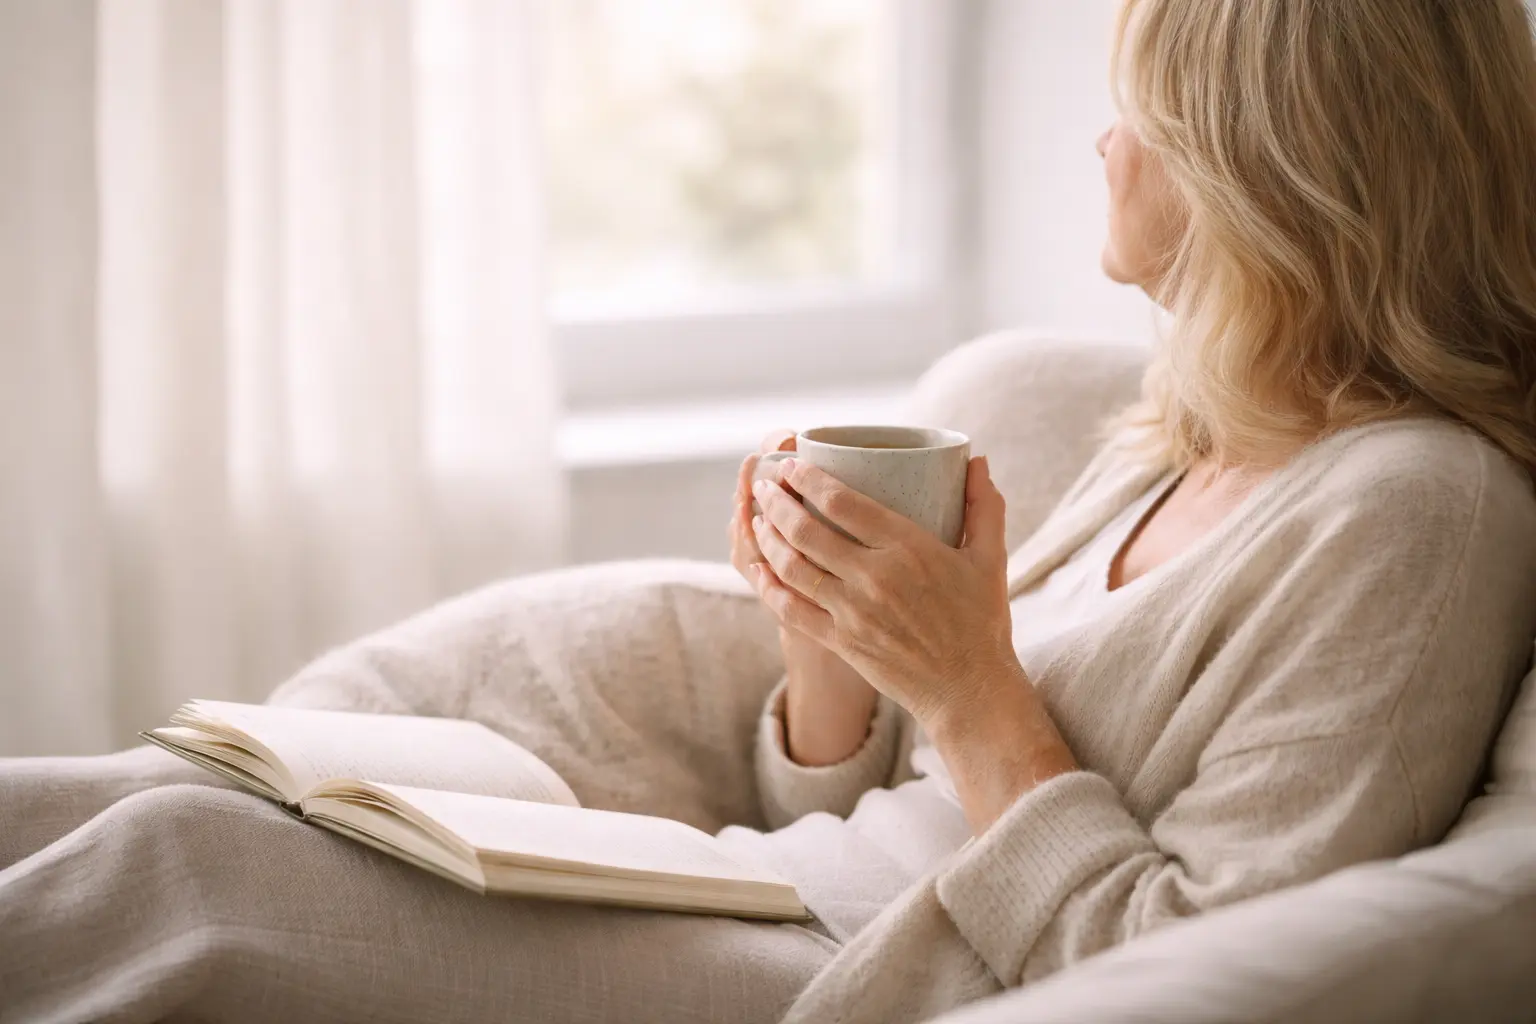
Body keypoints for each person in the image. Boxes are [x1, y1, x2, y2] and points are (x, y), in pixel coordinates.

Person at [5, 1, 1536, 1021]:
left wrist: (969, 686)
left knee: (191, 875)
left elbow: (1206, 978)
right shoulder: (1186, 439)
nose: (1102, 142)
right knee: (137, 802)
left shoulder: (1419, 512)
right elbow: (853, 808)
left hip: (859, 975)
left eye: (1137, 108)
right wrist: (831, 653)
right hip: (772, 884)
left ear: (1262, 172)